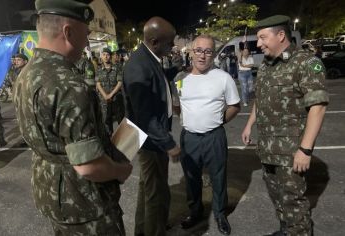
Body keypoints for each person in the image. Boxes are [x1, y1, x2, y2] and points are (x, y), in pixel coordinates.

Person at [12, 0, 132, 235]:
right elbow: (88, 166)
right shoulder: (69, 85)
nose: (87, 42)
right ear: (68, 32)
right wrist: (121, 170)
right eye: (85, 34)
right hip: (85, 205)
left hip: (51, 193)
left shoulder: (26, 74)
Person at [241, 15, 329, 236]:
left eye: (262, 37)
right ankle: (286, 230)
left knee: (294, 204)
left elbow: (317, 107)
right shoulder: (266, 66)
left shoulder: (306, 63)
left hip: (291, 153)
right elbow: (260, 100)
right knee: (277, 198)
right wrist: (249, 124)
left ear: (280, 35)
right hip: (268, 148)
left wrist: (305, 150)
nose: (258, 44)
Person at [176, 35, 240, 235]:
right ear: (191, 52)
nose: (202, 56)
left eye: (208, 51)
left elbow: (234, 106)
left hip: (214, 137)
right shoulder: (180, 79)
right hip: (189, 138)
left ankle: (220, 213)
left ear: (213, 54)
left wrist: (217, 121)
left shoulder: (223, 77)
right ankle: (195, 212)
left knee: (218, 177)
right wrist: (192, 120)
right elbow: (177, 106)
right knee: (191, 177)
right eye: (199, 50)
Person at [123, 16, 181, 236]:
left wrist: (175, 69)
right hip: (151, 140)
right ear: (155, 41)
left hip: (150, 137)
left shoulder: (148, 58)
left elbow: (157, 79)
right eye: (170, 42)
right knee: (156, 194)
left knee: (147, 189)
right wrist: (168, 143)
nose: (173, 46)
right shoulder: (139, 65)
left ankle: (142, 230)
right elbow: (144, 115)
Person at [96, 48, 124, 136]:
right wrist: (105, 96)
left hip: (116, 99)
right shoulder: (98, 69)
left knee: (121, 120)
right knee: (106, 122)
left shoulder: (117, 68)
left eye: (107, 55)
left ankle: (123, 140)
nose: (105, 56)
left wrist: (110, 95)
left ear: (110, 56)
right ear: (101, 56)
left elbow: (120, 82)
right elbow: (98, 83)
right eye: (104, 54)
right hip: (104, 100)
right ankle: (110, 141)